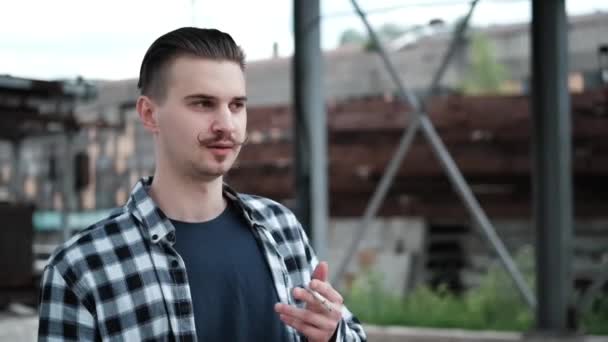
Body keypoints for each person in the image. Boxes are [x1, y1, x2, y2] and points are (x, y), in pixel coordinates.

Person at [37, 27, 367, 342]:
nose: (226, 124)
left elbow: (351, 335)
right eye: (203, 103)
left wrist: (330, 334)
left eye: (236, 105)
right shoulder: (82, 267)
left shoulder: (281, 228)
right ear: (150, 114)